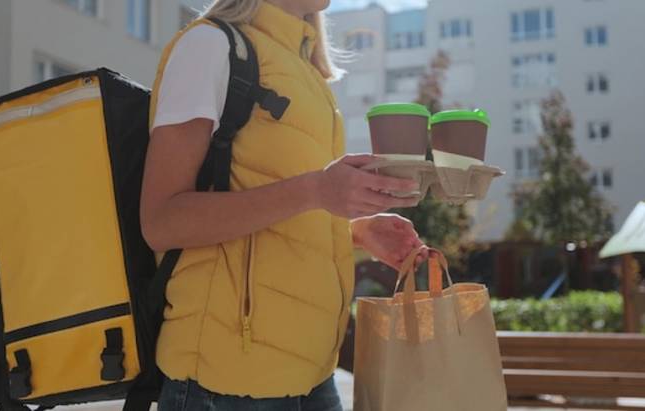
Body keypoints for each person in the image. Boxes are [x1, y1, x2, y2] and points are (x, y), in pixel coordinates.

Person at [140, 0, 430, 409]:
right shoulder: (209, 45)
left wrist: (355, 231)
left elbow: (276, 216)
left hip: (313, 375)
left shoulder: (309, 75)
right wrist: (317, 191)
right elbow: (162, 222)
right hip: (226, 382)